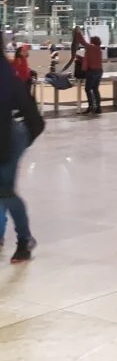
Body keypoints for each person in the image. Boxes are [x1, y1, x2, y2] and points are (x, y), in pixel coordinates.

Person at [0, 54, 43, 263]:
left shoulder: (8, 78)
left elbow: (35, 121)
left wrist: (20, 143)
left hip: (6, 143)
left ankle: (24, 240)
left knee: (6, 193)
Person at [81, 36, 103, 114]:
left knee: (88, 89)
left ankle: (91, 106)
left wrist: (78, 32)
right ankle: (98, 107)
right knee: (95, 89)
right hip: (99, 71)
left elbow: (82, 41)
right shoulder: (99, 49)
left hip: (92, 71)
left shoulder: (91, 47)